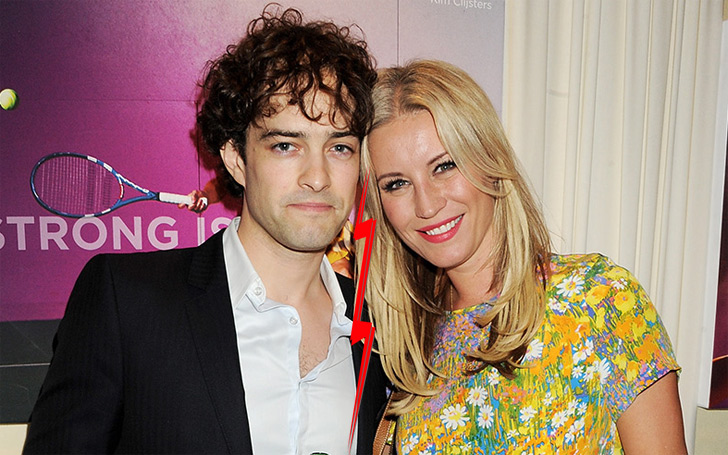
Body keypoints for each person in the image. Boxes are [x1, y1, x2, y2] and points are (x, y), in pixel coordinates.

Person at [23, 6, 388, 454]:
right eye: (286, 145)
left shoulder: (380, 328)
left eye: (340, 147)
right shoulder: (127, 302)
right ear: (236, 157)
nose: (317, 177)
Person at [361, 60, 687, 454]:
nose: (427, 204)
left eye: (445, 166)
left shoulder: (600, 299)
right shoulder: (406, 343)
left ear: (489, 160)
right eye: (396, 184)